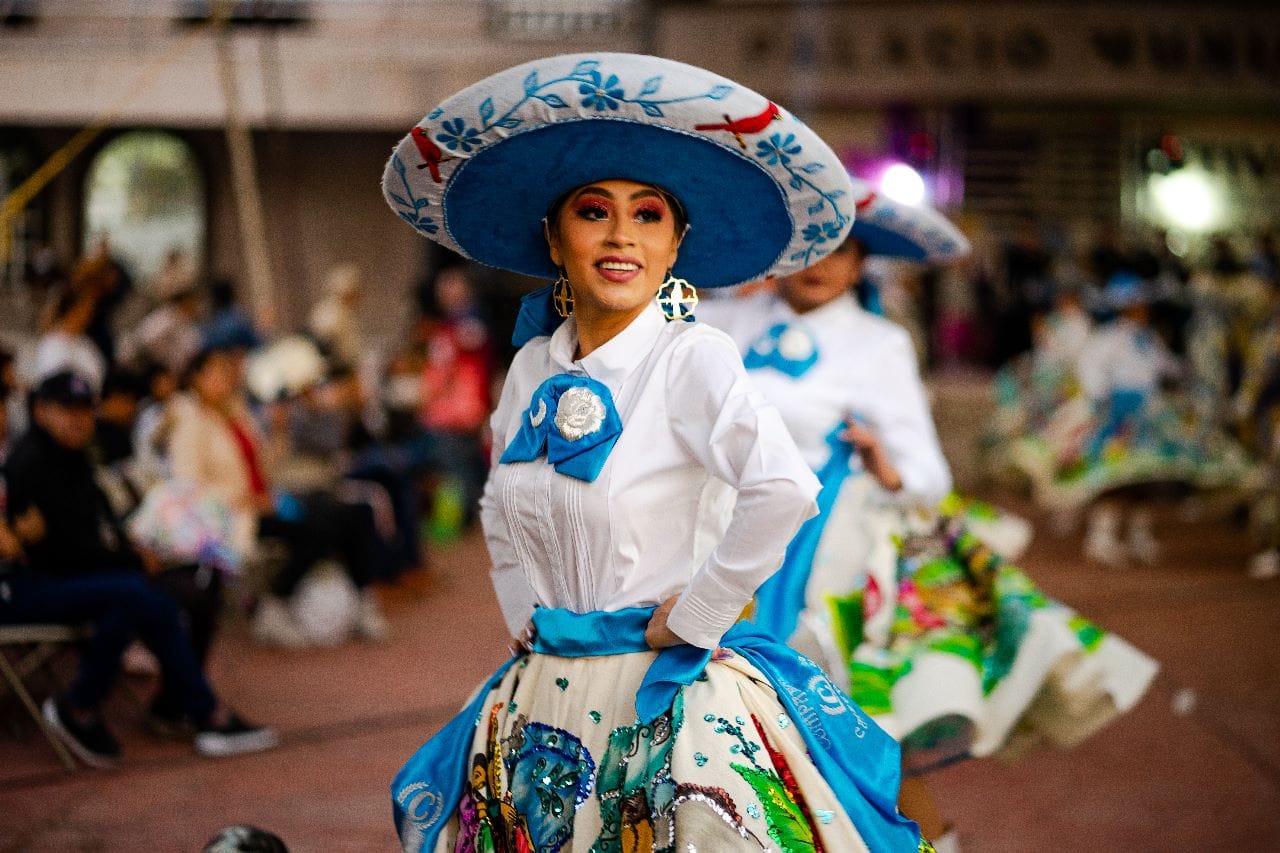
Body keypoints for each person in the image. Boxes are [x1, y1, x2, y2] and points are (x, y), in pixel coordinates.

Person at [386, 53, 932, 852]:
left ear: (676, 243)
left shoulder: (693, 356)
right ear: (554, 235)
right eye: (593, 211)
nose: (620, 236)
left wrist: (701, 611)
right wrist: (522, 613)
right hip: (543, 691)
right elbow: (499, 500)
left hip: (665, 702)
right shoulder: (533, 363)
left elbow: (784, 488)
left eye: (647, 216)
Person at [701, 231, 1158, 850]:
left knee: (840, 735)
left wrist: (886, 467)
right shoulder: (719, 319)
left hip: (817, 563)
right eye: (805, 247)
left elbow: (927, 474)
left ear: (862, 264)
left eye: (839, 251)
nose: (820, 265)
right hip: (710, 543)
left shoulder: (879, 342)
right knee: (717, 736)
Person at [0, 371, 277, 766]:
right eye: (67, 409)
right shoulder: (29, 463)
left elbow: (88, 531)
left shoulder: (73, 456)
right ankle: (190, 711)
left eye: (84, 409)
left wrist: (134, 551)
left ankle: (169, 706)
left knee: (182, 588)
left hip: (78, 578)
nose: (78, 419)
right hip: (28, 588)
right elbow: (59, 553)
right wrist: (130, 560)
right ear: (40, 411)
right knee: (136, 593)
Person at [168, 342, 388, 647]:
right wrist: (247, 500)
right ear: (197, 378)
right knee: (317, 528)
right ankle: (274, 603)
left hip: (269, 500)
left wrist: (279, 431)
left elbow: (264, 466)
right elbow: (188, 487)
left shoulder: (237, 414)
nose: (228, 378)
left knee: (352, 512)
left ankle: (361, 596)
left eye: (228, 371)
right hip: (236, 516)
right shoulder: (190, 424)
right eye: (219, 372)